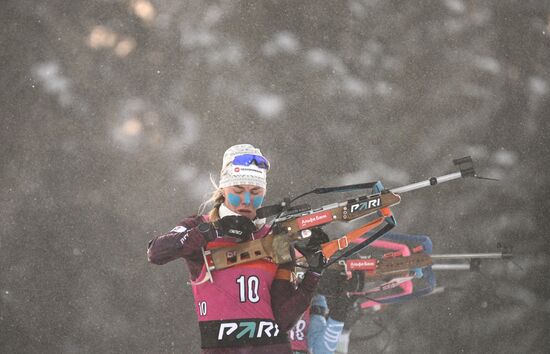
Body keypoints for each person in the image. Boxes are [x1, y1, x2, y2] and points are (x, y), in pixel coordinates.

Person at [147, 144, 325, 353]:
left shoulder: (274, 237)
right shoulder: (198, 227)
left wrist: (313, 274)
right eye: (237, 192)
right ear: (223, 190)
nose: (247, 201)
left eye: (256, 192)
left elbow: (283, 321)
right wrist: (212, 230)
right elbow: (156, 252)